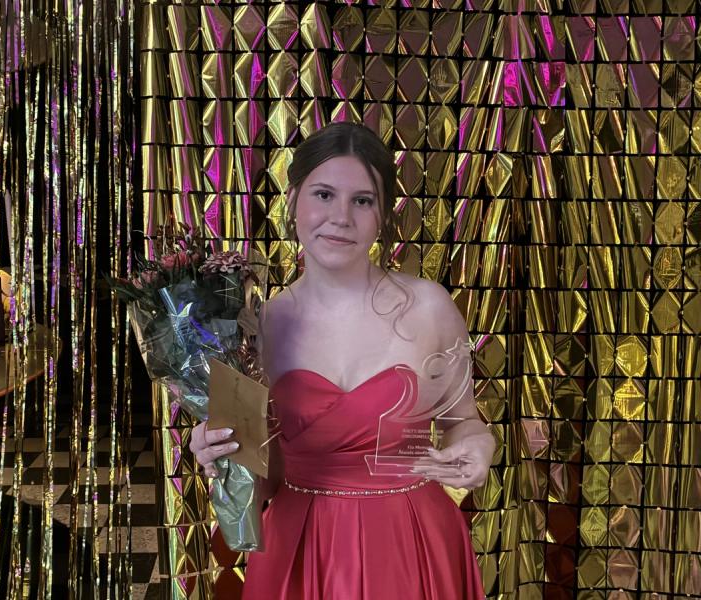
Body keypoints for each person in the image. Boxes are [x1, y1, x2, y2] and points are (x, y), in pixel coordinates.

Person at [189, 122, 494, 599]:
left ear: (382, 214)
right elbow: (264, 484)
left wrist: (478, 447)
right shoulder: (255, 328)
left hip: (410, 543)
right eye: (324, 194)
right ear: (293, 200)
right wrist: (221, 459)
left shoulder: (430, 307)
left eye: (363, 200)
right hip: (300, 548)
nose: (341, 217)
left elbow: (464, 422)